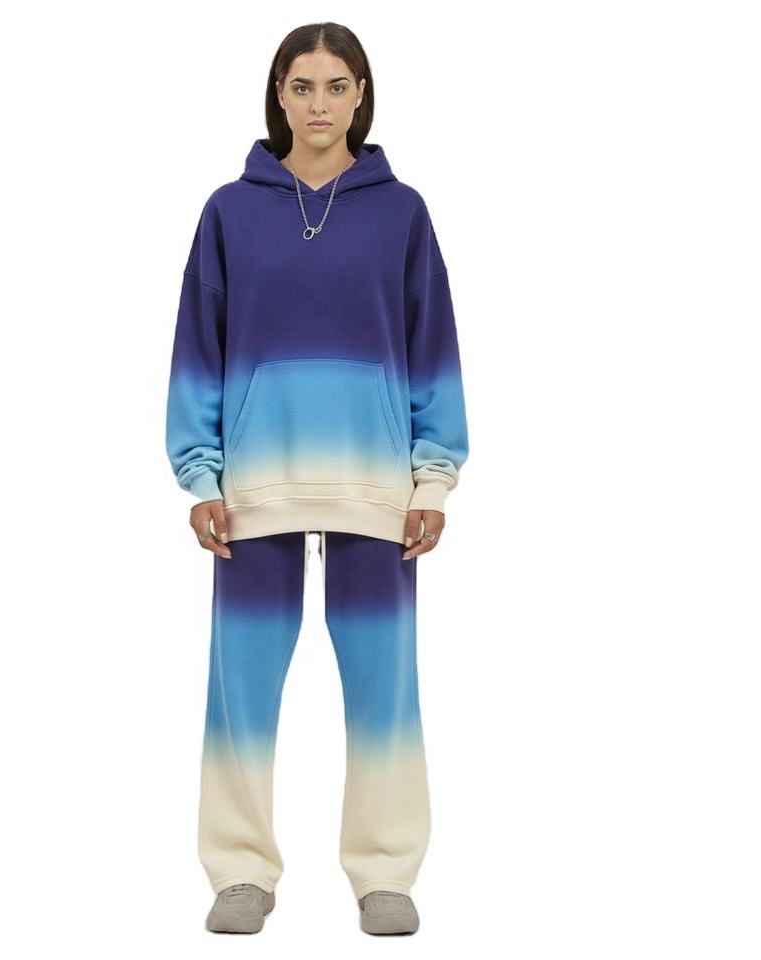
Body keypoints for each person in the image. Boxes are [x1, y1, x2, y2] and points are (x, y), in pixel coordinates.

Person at [165, 22, 469, 936]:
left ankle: (384, 872)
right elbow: (197, 347)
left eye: (338, 86)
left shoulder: (402, 213)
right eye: (303, 86)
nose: (320, 104)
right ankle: (240, 871)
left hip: (375, 485)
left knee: (385, 686)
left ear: (362, 95)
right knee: (240, 687)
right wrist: (201, 475)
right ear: (279, 95)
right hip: (256, 484)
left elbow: (432, 345)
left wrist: (432, 480)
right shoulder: (229, 211)